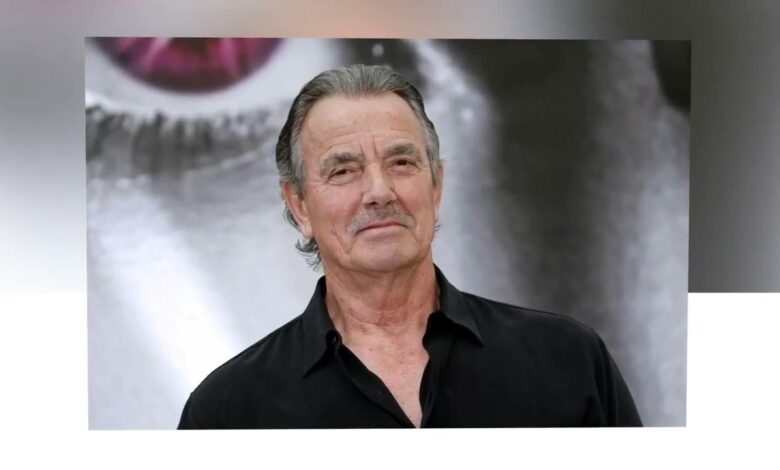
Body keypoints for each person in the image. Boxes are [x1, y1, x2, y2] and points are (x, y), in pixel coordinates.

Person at [177, 64, 642, 429]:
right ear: (299, 205)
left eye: (401, 162)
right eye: (343, 171)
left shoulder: (570, 361)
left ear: (436, 186)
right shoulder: (226, 410)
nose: (379, 192)